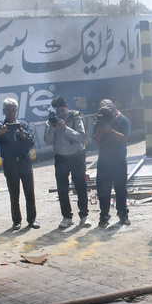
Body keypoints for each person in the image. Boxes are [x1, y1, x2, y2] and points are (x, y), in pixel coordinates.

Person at [0, 97, 38, 230]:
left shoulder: (23, 125)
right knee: (14, 194)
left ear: (17, 110)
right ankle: (16, 221)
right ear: (4, 111)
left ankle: (32, 220)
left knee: (30, 192)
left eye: (13, 111)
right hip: (10, 163)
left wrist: (24, 137)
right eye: (8, 111)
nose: (11, 113)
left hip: (25, 161)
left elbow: (32, 143)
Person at [44, 95, 89, 229]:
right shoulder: (51, 121)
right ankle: (67, 217)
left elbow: (82, 137)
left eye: (63, 110)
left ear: (67, 107)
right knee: (62, 189)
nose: (61, 114)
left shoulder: (76, 118)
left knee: (80, 187)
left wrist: (65, 128)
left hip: (77, 156)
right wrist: (52, 127)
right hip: (61, 158)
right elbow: (48, 141)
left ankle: (84, 216)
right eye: (58, 111)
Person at [91, 99, 130, 227]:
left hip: (118, 160)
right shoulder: (98, 122)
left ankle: (123, 214)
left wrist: (110, 130)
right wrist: (100, 129)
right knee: (103, 191)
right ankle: (104, 215)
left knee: (121, 190)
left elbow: (124, 138)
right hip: (104, 161)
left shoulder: (122, 120)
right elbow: (95, 142)